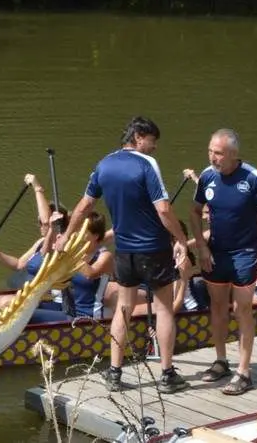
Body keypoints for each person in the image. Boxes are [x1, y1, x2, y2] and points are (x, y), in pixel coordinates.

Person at [57, 116, 190, 394]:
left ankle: (115, 373)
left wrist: (66, 235)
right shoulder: (147, 164)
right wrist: (181, 240)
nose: (154, 148)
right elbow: (164, 209)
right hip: (154, 249)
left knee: (123, 309)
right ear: (139, 137)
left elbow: (84, 206)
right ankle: (167, 375)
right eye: (152, 141)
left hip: (124, 252)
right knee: (164, 309)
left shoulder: (103, 164)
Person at [186, 128, 257, 396]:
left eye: (218, 153)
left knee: (242, 309)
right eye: (210, 151)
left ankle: (244, 372)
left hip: (244, 253)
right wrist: (201, 246)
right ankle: (221, 360)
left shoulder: (253, 178)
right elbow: (194, 212)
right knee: (217, 306)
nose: (212, 157)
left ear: (233, 154)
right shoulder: (207, 177)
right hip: (216, 252)